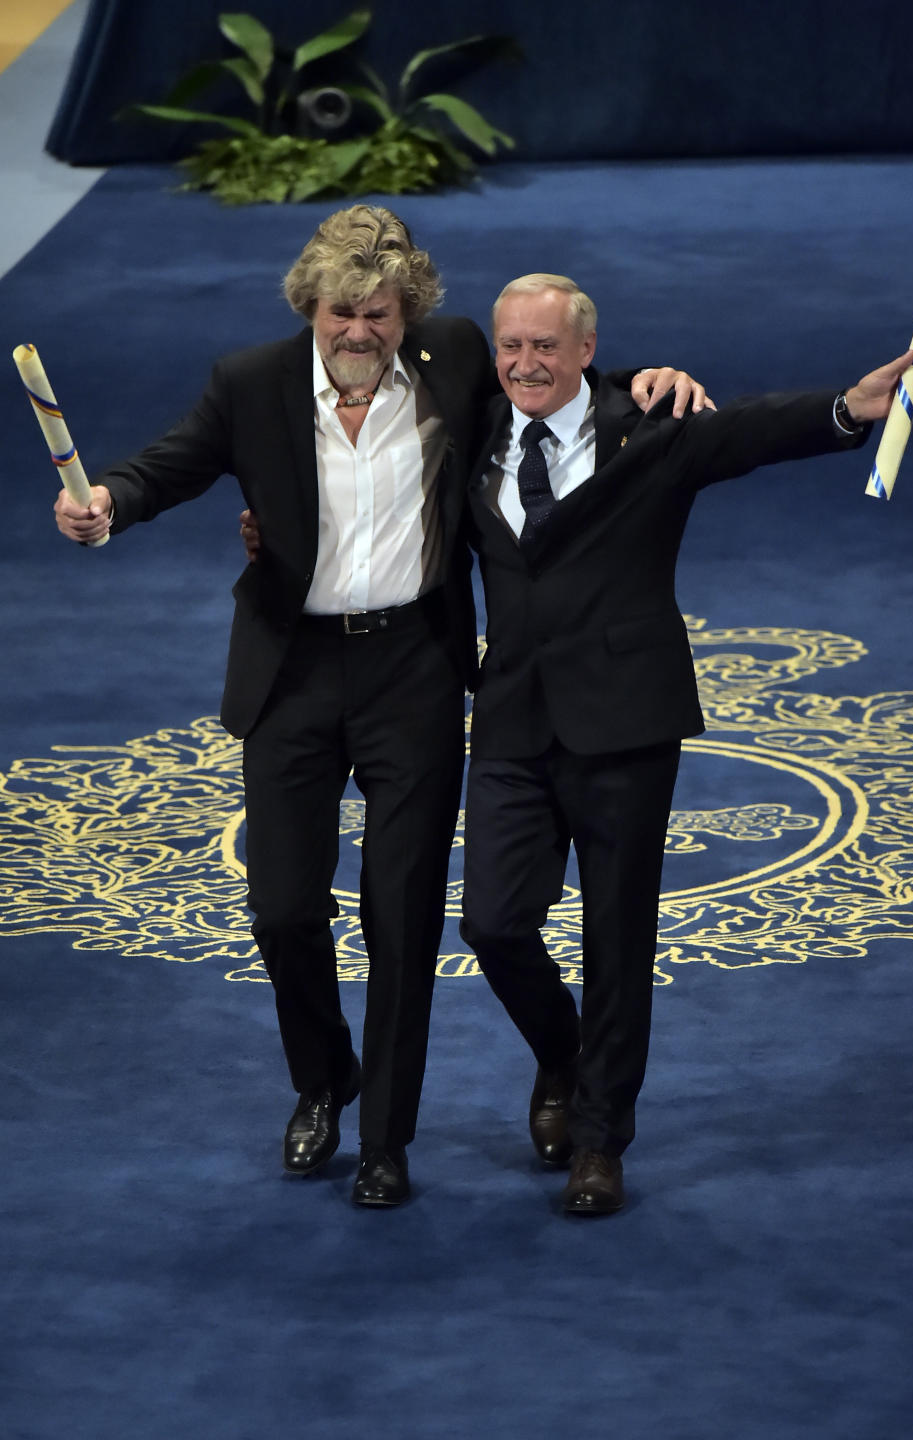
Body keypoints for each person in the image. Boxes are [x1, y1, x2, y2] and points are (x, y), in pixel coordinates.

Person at [53, 207, 705, 1208]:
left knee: (400, 920)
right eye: (340, 313)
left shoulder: (456, 360)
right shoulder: (251, 382)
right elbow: (166, 464)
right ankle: (325, 1079)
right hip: (292, 673)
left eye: (380, 315)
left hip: (413, 670)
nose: (359, 333)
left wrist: (647, 384)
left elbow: (551, 383)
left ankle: (387, 1141)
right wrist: (106, 505)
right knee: (279, 909)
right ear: (308, 308)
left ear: (411, 318)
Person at [458, 273, 913, 1216]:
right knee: (492, 924)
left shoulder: (653, 427)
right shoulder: (470, 429)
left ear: (585, 351)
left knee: (617, 939)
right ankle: (564, 1054)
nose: (525, 363)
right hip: (512, 716)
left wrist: (850, 409)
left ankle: (601, 1138)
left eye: (546, 347)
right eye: (511, 345)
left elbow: (749, 434)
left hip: (627, 721)